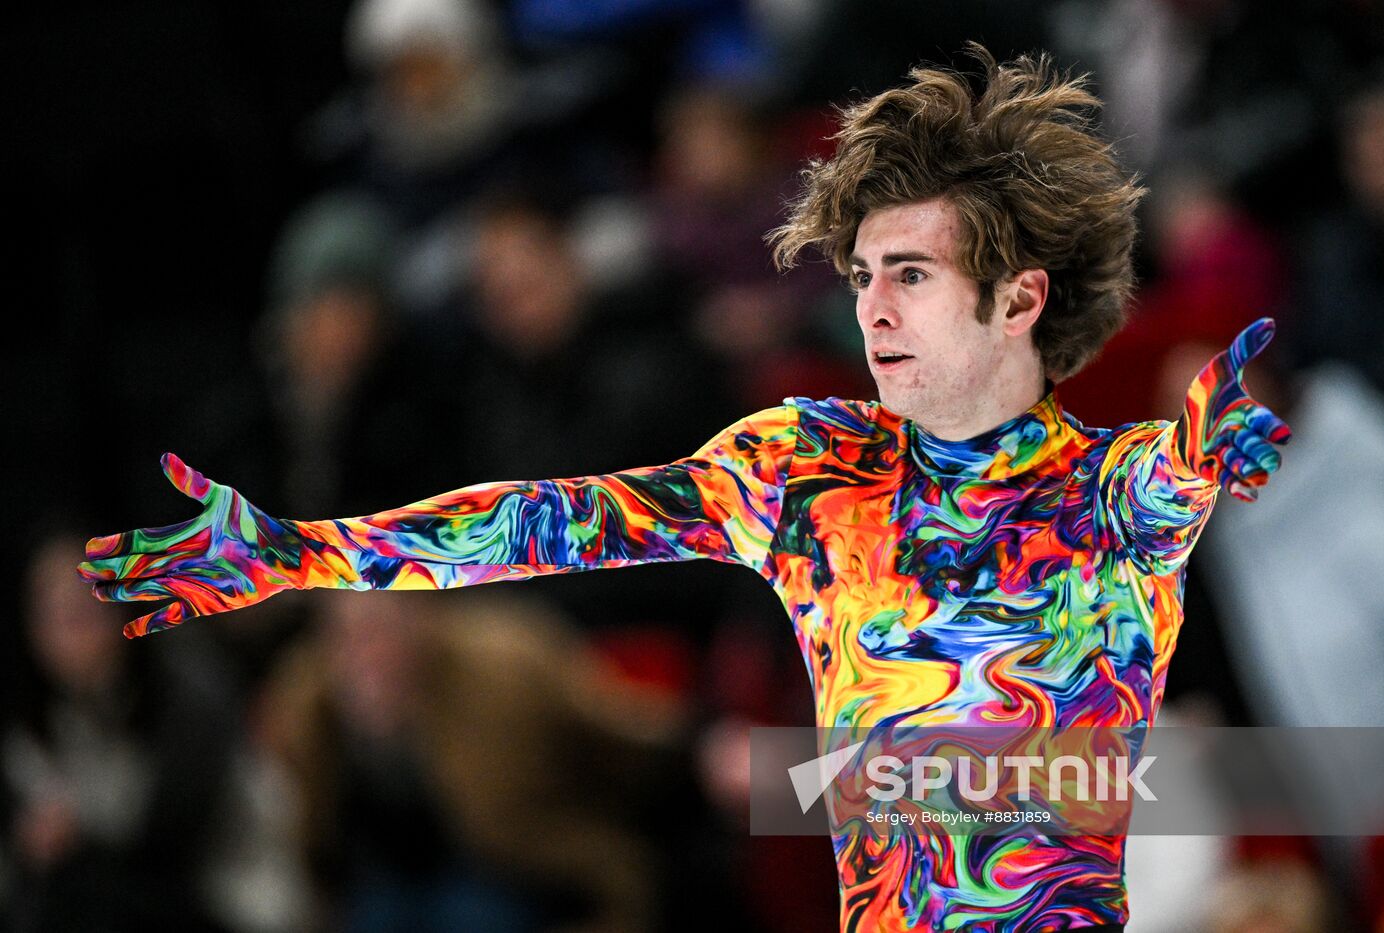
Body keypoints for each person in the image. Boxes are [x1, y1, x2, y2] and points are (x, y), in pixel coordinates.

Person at [77, 44, 1290, 933]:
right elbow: (551, 523)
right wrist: (308, 552)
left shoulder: (1110, 491)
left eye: (910, 273)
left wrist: (1204, 451)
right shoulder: (807, 471)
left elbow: (1170, 479)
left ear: (1018, 298)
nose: (870, 306)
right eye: (863, 271)